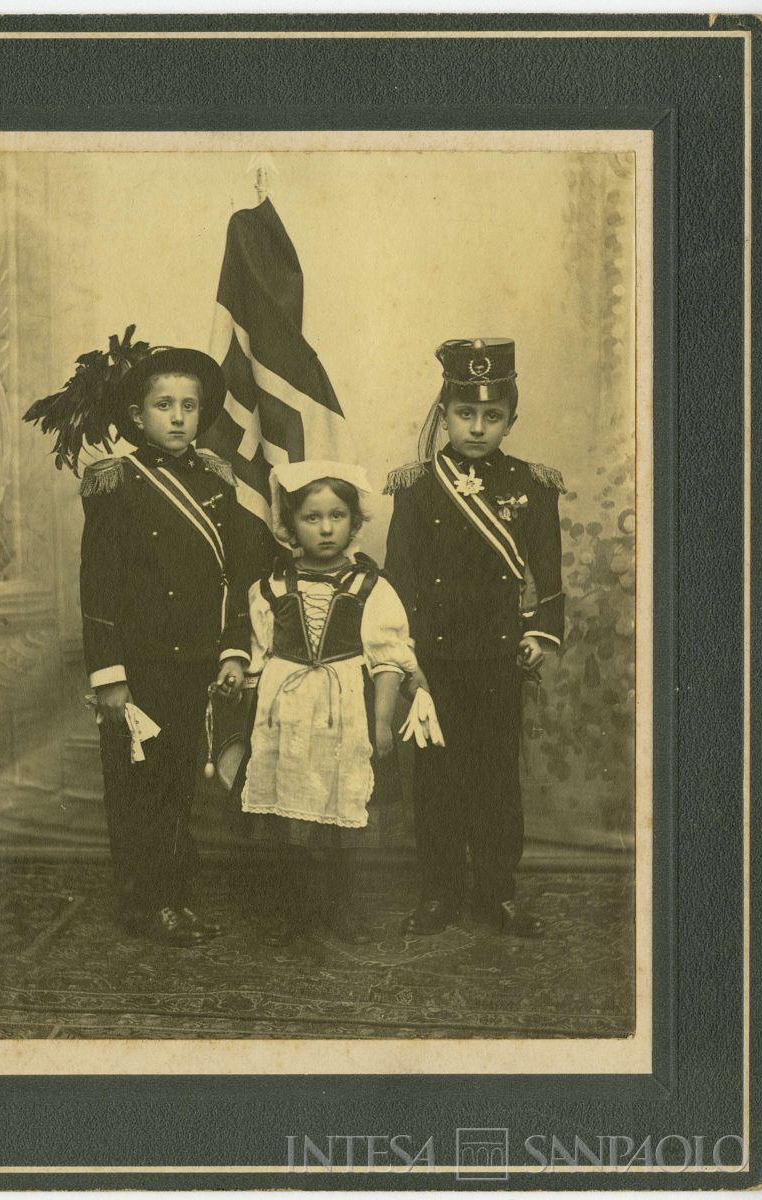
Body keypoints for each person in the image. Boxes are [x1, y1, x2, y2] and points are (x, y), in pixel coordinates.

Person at [28, 337, 259, 946]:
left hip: (198, 660)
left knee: (179, 783)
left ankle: (173, 898)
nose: (179, 417)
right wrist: (109, 676)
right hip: (139, 667)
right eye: (164, 405)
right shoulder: (115, 482)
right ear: (137, 416)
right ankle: (145, 902)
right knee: (137, 789)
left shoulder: (215, 478)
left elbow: (232, 575)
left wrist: (234, 648)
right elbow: (97, 587)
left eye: (190, 405)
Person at [216, 461, 442, 947]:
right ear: (289, 524)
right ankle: (293, 910)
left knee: (342, 817)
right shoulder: (269, 588)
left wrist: (382, 722)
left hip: (345, 713)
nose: (324, 528)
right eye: (311, 517)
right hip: (286, 714)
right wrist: (241, 697)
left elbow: (387, 661)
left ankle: (340, 906)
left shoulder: (372, 588)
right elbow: (256, 659)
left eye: (336, 516)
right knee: (286, 815)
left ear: (354, 522)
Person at [384, 338, 565, 938]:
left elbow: (549, 571)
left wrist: (541, 634)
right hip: (432, 663)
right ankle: (438, 893)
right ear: (445, 413)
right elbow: (400, 577)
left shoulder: (533, 486)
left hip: (497, 659)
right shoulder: (415, 487)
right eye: (465, 414)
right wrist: (404, 658)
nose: (478, 427)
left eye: (493, 416)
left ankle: (496, 893)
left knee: (494, 781)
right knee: (435, 782)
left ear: (512, 418)